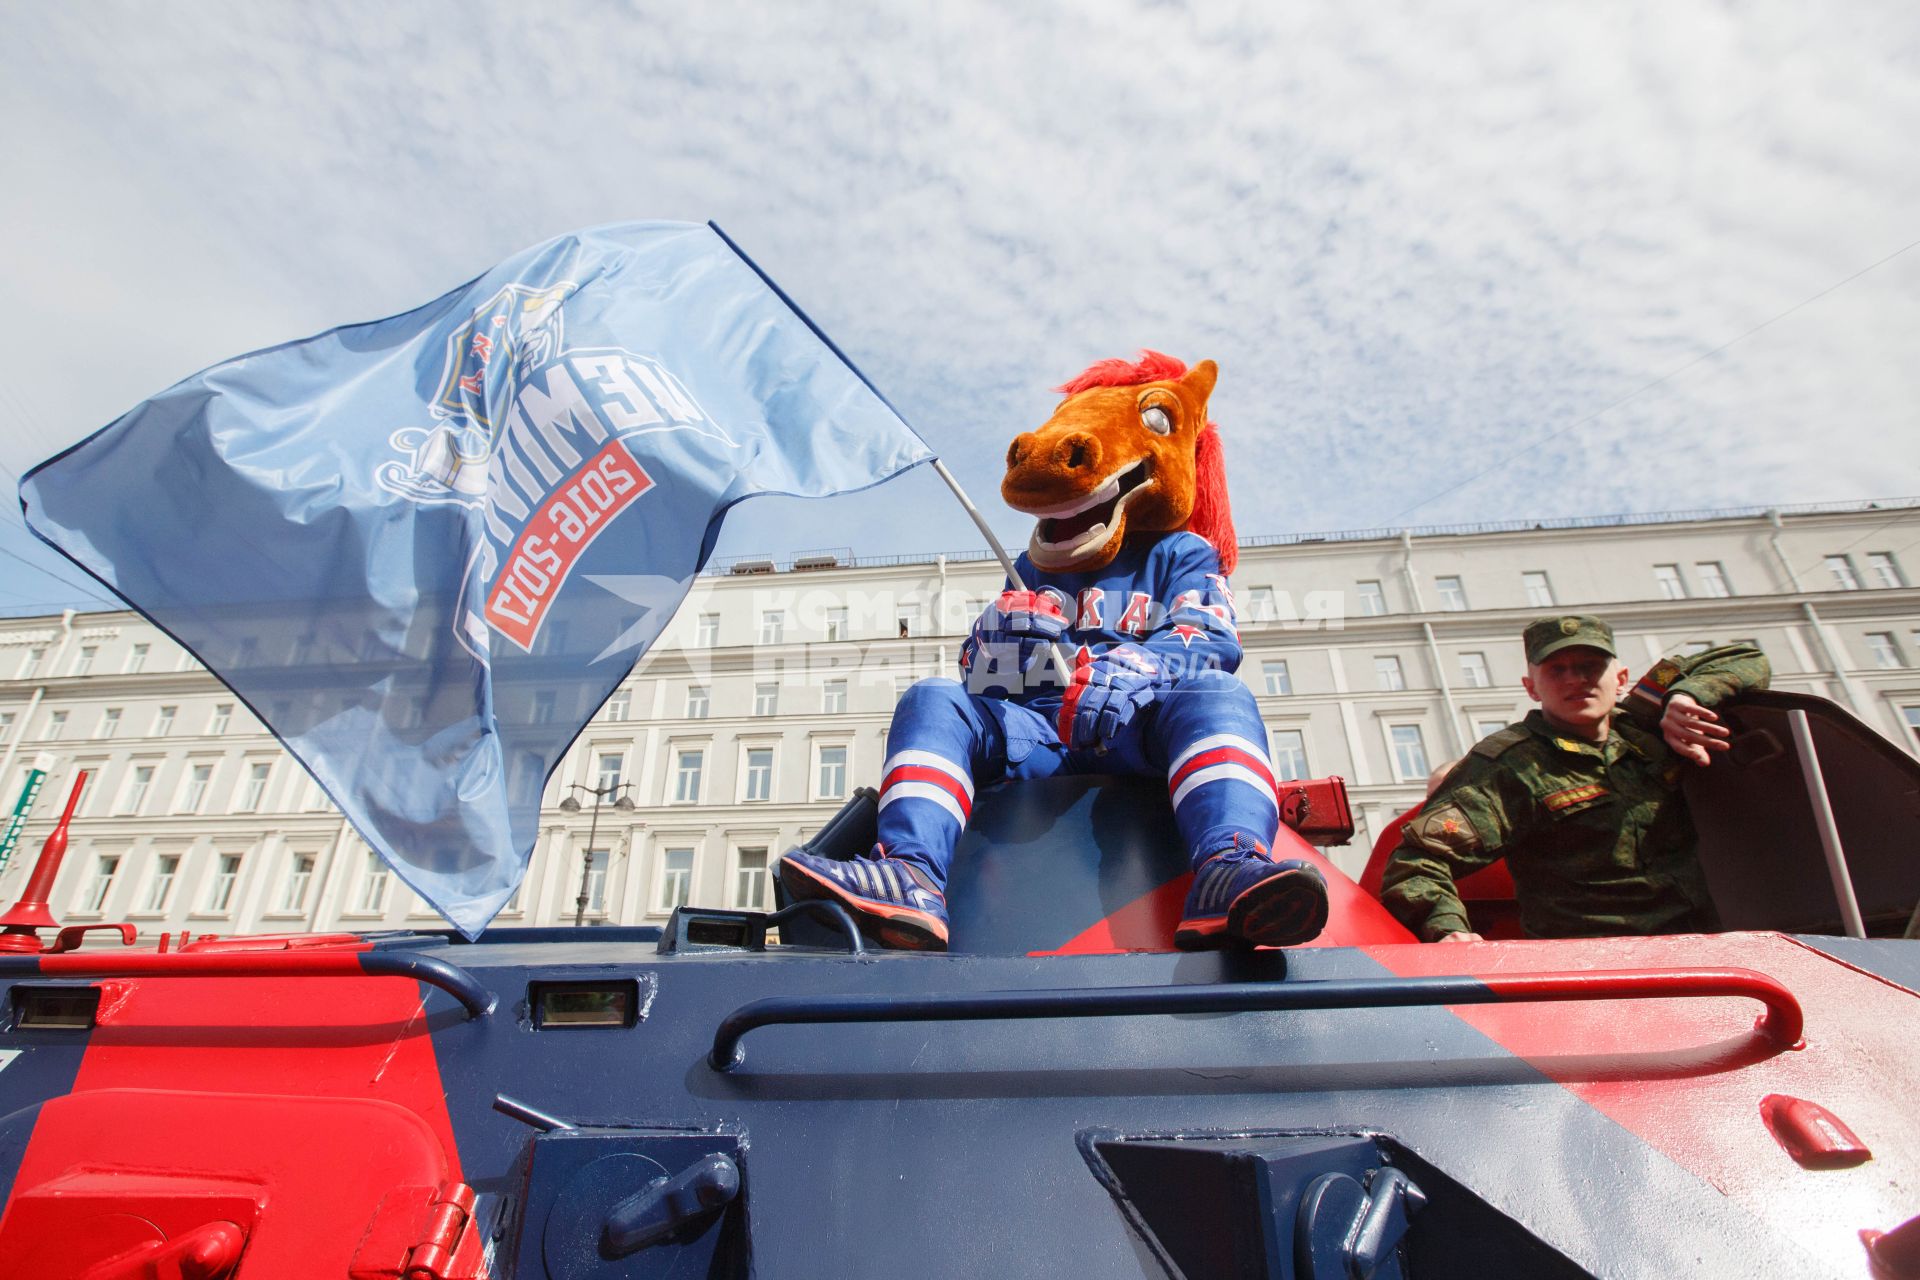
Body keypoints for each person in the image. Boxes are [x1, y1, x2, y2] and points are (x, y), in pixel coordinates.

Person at [778, 352, 1328, 951]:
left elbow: (1212, 636)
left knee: (1218, 695)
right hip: (1037, 735)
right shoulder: (1031, 567)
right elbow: (984, 683)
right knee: (933, 698)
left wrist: (1143, 668)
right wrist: (996, 643)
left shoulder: (1181, 553)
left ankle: (1229, 863)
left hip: (1141, 734)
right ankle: (910, 874)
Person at [1379, 615, 1769, 943]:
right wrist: (1447, 932)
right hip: (1587, 968)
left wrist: (1687, 696)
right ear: (1531, 688)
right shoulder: (1508, 764)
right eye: (1557, 669)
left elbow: (1746, 657)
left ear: (1621, 678)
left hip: (1701, 946)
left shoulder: (1646, 722)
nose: (1575, 679)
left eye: (1589, 666)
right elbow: (1417, 860)